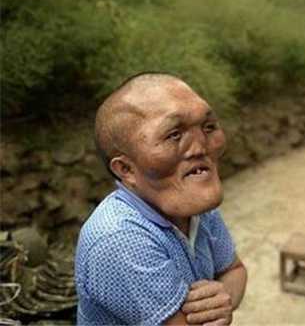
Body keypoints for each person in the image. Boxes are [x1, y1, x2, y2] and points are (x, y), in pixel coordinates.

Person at [75, 73, 247, 325]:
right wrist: (220, 306)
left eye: (208, 127)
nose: (201, 146)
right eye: (174, 135)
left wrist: (223, 299)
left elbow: (234, 270)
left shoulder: (194, 204)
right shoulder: (119, 238)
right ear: (126, 169)